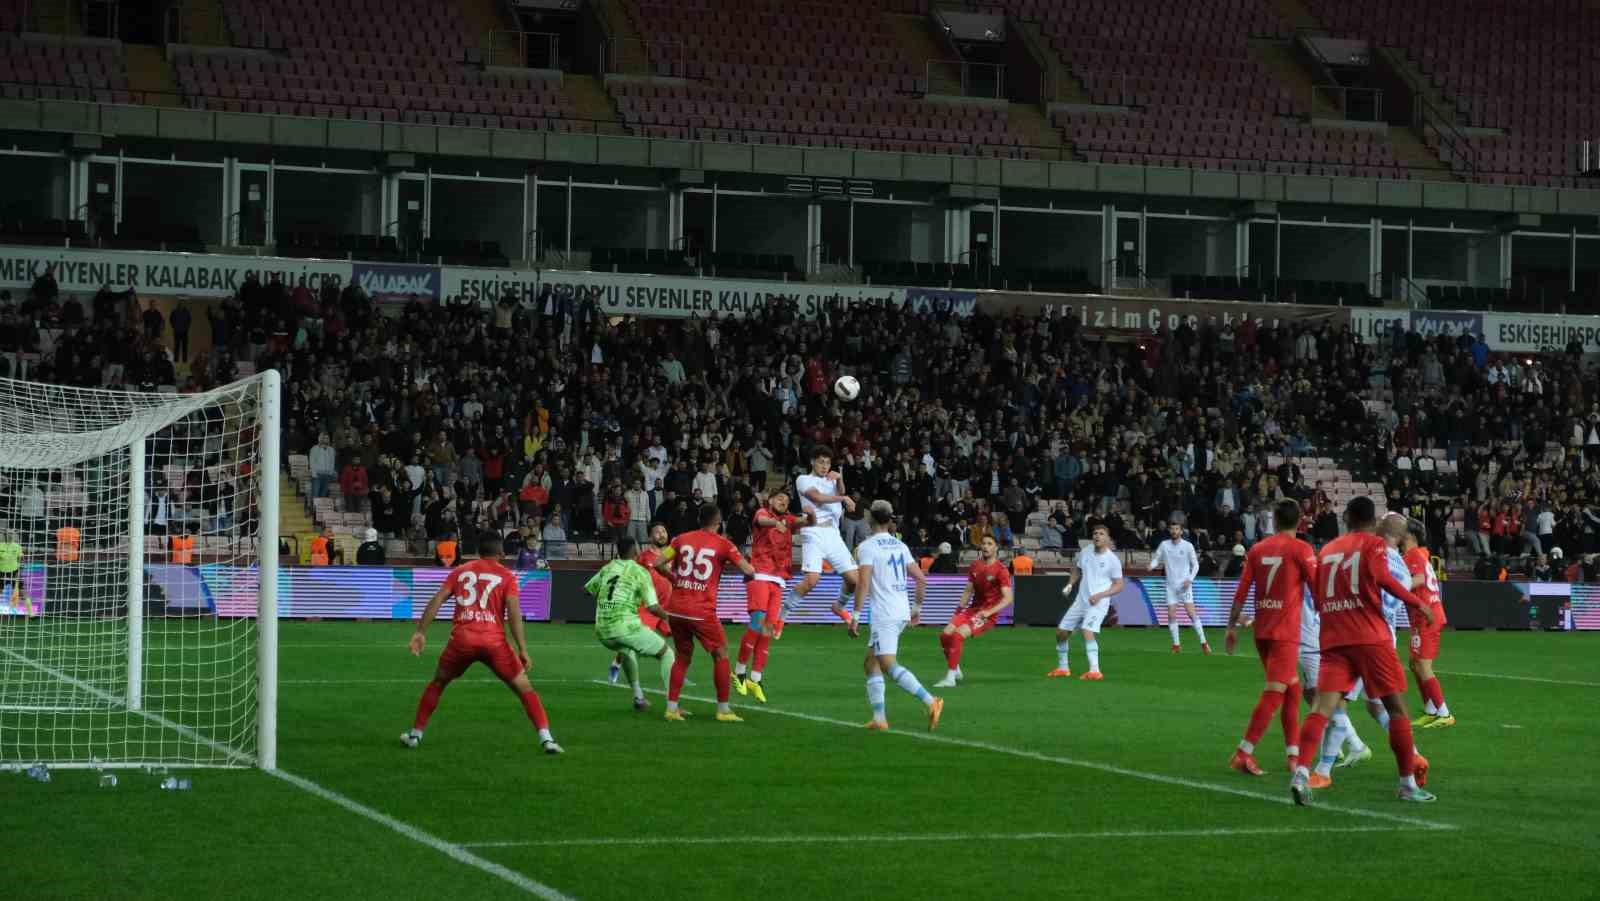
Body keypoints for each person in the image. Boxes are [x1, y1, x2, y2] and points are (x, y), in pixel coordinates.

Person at [1290, 497, 1435, 806]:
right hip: (1370, 637)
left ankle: (1302, 773)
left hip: (1333, 639)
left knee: (1321, 708)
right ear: (1373, 521)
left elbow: (1315, 594)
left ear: (1347, 517)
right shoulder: (1375, 545)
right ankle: (1407, 784)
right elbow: (1383, 579)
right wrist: (1417, 602)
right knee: (1396, 709)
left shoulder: (1328, 550)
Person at [401, 533, 562, 755]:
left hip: (462, 641)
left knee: (438, 683)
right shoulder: (506, 576)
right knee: (524, 689)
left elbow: (437, 599)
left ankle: (415, 735)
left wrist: (420, 632)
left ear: (478, 552)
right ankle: (547, 739)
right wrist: (523, 648)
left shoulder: (460, 571)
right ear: (501, 553)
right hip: (493, 642)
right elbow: (514, 612)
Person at [1225, 498, 1316, 776]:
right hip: (1285, 633)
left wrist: (1231, 626)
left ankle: (1294, 755)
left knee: (1292, 690)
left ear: (1274, 521)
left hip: (1262, 630)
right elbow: (1318, 587)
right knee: (1276, 693)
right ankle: (1243, 752)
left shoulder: (1257, 549)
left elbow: (1242, 590)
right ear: (1299, 521)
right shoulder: (1302, 548)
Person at [656, 505, 757, 722]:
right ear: (718, 521)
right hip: (701, 610)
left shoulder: (680, 540)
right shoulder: (724, 545)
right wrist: (749, 574)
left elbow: (657, 562)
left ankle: (672, 708)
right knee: (721, 654)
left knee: (682, 656)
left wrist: (675, 579)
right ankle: (723, 710)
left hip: (676, 608)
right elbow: (749, 571)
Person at [851, 501, 943, 732]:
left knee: (887, 663)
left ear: (870, 519)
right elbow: (921, 578)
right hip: (900, 610)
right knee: (870, 662)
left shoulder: (867, 547)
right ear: (889, 520)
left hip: (884, 613)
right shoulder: (900, 546)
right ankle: (879, 718)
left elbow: (862, 583)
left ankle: (931, 701)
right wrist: (917, 609)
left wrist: (855, 614)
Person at [734, 492, 810, 702]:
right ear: (770, 501)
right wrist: (775, 523)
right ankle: (739, 670)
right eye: (779, 499)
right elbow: (761, 520)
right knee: (758, 622)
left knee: (768, 630)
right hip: (759, 574)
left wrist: (811, 516)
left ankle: (755, 679)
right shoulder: (763, 513)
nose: (783, 501)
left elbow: (806, 521)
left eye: (786, 501)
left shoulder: (790, 519)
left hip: (779, 580)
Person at [588, 536, 677, 711]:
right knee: (667, 654)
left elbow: (589, 590)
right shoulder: (640, 572)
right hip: (624, 626)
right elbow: (652, 607)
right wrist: (670, 618)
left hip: (602, 630)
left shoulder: (608, 567)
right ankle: (673, 705)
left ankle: (638, 698)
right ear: (635, 551)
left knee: (626, 651)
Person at [782, 446, 859, 627]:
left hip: (833, 533)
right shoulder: (803, 479)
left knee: (854, 580)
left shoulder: (831, 481)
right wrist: (844, 498)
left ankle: (839, 607)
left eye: (827, 463)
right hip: (813, 531)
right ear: (812, 462)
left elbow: (840, 491)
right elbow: (817, 498)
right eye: (821, 462)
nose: (825, 466)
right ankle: (782, 615)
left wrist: (840, 478)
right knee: (811, 580)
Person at [934, 534, 1013, 688]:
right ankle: (956, 668)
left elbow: (1008, 598)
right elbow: (967, 591)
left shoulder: (1001, 570)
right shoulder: (975, 565)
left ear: (996, 548)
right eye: (983, 543)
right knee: (944, 635)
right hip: (973, 610)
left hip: (986, 615)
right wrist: (958, 612)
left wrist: (989, 613)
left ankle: (950, 678)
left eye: (990, 544)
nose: (985, 546)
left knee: (957, 635)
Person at [1048, 522, 1123, 681]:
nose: (1097, 536)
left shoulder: (1112, 560)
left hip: (1098, 603)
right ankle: (1063, 668)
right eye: (1095, 533)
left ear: (1108, 538)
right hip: (1080, 602)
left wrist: (1101, 595)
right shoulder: (1086, 551)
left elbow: (1119, 585)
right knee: (1061, 633)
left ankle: (1095, 671)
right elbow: (1077, 569)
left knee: (1087, 631)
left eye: (1101, 533)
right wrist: (1070, 584)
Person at [1402, 520, 1453, 729]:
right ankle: (1431, 710)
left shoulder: (1414, 554)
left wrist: (1393, 588)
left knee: (1422, 665)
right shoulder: (1418, 553)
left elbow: (1419, 579)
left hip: (1427, 615)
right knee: (1414, 664)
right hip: (1420, 615)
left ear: (1410, 535)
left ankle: (1444, 713)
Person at [1152, 520, 1208, 654]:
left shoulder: (1188, 546)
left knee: (1191, 613)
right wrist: (1152, 565)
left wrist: (1190, 580)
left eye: (1177, 529)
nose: (1174, 531)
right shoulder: (1164, 545)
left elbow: (1196, 565)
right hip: (1170, 586)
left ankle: (1204, 642)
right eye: (1172, 529)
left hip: (1184, 586)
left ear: (1181, 531)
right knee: (1171, 615)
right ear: (1169, 531)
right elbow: (1157, 558)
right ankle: (1176, 645)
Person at [0, 531, 31, 614]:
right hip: (2, 572)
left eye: (11, 535)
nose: (9, 536)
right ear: (4, 537)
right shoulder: (0, 546)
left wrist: (20, 569)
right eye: (7, 535)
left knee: (22, 592)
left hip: (14, 572)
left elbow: (22, 559)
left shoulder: (17, 546)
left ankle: (31, 613)